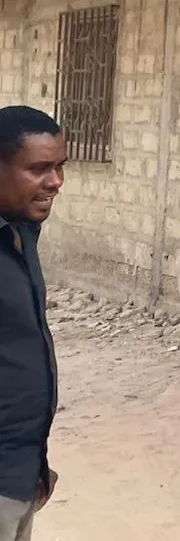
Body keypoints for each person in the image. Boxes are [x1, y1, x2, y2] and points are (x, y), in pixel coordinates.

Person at [0, 107, 65, 541]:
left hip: (21, 472)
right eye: (39, 168)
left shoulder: (21, 234)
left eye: (59, 167)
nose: (56, 181)